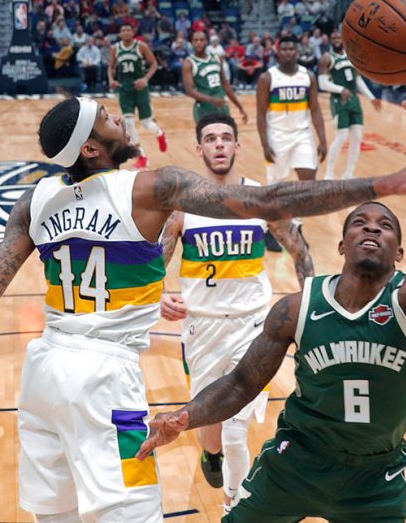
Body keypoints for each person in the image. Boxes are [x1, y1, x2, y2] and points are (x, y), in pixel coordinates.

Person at [0, 97, 406, 523]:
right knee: (133, 513)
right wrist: (382, 184)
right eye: (105, 117)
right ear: (92, 149)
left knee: (58, 516)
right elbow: (268, 202)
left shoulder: (32, 203)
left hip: (42, 374)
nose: (118, 116)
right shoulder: (151, 188)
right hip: (105, 380)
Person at [136, 82, 406, 522]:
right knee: (226, 438)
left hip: (375, 478)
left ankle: (228, 484)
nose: (371, 227)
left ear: (399, 252)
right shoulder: (297, 309)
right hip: (294, 464)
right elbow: (240, 384)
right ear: (341, 244)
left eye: (384, 226)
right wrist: (185, 417)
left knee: (237, 433)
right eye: (359, 222)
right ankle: (217, 465)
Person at [159, 114, 311, 513]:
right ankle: (211, 455)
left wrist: (312, 299)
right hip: (203, 326)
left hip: (254, 324)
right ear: (200, 149)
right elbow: (155, 260)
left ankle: (234, 506)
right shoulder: (183, 204)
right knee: (210, 422)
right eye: (211, 139)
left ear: (237, 146)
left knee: (235, 426)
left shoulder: (260, 198)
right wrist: (158, 295)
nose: (219, 144)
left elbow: (298, 249)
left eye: (226, 138)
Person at [257, 35, 328, 251]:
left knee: (307, 183)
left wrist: (323, 139)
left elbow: (315, 109)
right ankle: (270, 229)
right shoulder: (268, 78)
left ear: (296, 51)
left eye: (291, 49)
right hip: (276, 136)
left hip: (301, 135)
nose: (288, 52)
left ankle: (296, 227)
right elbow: (260, 113)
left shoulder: (308, 76)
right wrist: (264, 144)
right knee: (274, 187)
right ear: (278, 52)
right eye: (284, 49)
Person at [318, 30, 382, 180]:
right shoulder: (326, 58)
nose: (336, 39)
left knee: (357, 137)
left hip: (354, 100)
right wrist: (340, 89)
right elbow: (322, 84)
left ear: (343, 39)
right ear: (330, 40)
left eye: (339, 37)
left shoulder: (352, 57)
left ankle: (348, 173)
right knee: (341, 136)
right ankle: (329, 173)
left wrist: (371, 97)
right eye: (333, 37)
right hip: (338, 101)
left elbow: (358, 80)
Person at [109, 23, 168, 166]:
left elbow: (154, 64)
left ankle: (160, 133)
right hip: (125, 89)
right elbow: (110, 66)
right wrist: (111, 79)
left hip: (140, 88)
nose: (126, 32)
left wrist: (145, 79)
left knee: (146, 123)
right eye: (123, 30)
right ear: (120, 34)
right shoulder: (115, 48)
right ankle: (141, 155)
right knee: (128, 123)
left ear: (133, 32)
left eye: (128, 30)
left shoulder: (141, 46)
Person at [182, 30, 248, 126]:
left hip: (221, 106)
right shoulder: (188, 63)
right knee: (207, 135)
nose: (198, 43)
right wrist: (212, 100)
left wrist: (240, 107)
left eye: (201, 40)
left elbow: (225, 85)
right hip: (204, 109)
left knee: (228, 134)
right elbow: (189, 91)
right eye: (195, 40)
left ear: (206, 41)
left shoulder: (217, 59)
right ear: (192, 42)